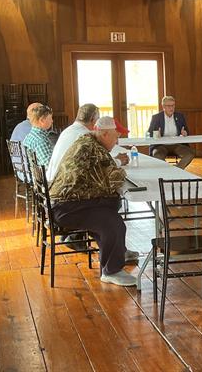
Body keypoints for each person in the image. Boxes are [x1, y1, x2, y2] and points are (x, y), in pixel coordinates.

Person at [50, 117, 138, 286]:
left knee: (112, 204)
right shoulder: (94, 149)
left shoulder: (87, 141)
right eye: (115, 137)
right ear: (104, 134)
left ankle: (114, 253)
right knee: (113, 221)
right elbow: (113, 179)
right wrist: (121, 171)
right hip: (67, 208)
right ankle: (111, 270)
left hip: (64, 203)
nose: (116, 142)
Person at [147, 96, 195, 169]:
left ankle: (176, 170)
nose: (171, 108)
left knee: (189, 154)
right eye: (169, 106)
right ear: (163, 106)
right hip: (161, 145)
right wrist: (156, 134)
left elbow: (186, 131)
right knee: (157, 155)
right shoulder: (156, 117)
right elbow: (149, 133)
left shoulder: (180, 116)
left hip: (177, 144)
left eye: (173, 105)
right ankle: (169, 171)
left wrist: (184, 133)